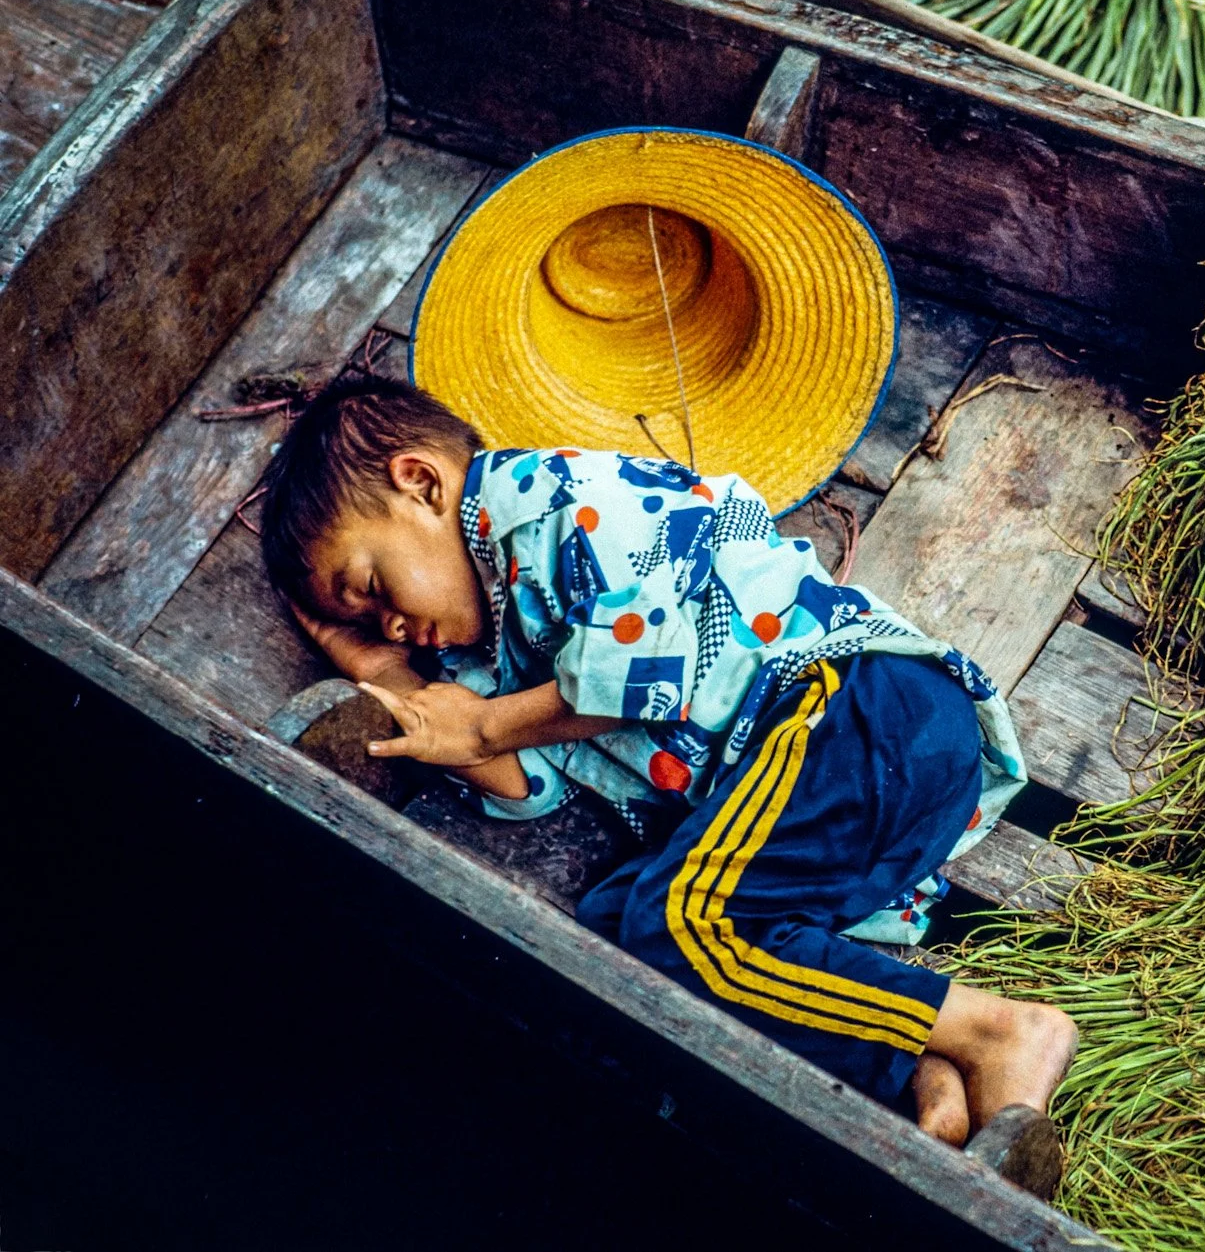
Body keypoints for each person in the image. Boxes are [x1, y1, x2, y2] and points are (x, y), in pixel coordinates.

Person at [257, 377, 1076, 1147]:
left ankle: (1000, 1030)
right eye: (364, 620)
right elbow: (528, 787)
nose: (390, 625)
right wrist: (387, 678)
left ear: (422, 484)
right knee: (622, 923)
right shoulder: (490, 670)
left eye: (370, 583)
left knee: (682, 920)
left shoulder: (557, 506)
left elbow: (641, 667)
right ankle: (924, 1063)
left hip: (863, 710)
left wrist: (479, 729)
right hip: (834, 795)